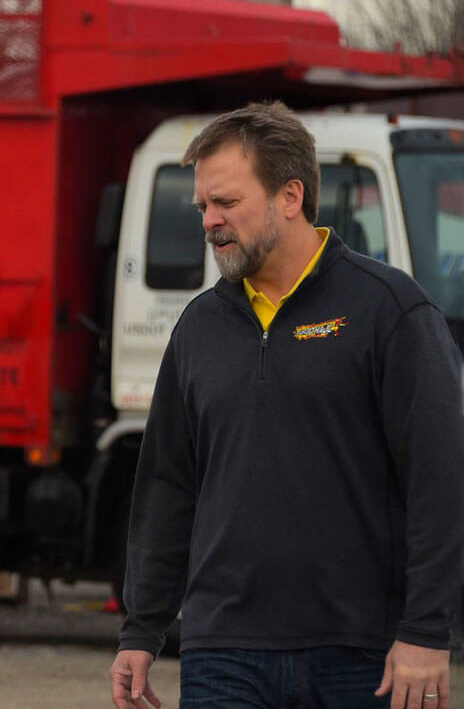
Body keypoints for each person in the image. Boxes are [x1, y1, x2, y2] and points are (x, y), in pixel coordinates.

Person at [109, 101, 464, 709]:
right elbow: (168, 486)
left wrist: (427, 630)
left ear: (290, 197)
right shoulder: (198, 328)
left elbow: (440, 477)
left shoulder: (389, 310)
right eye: (202, 207)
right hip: (222, 651)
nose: (209, 222)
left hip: (362, 655)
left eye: (226, 203)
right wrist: (142, 628)